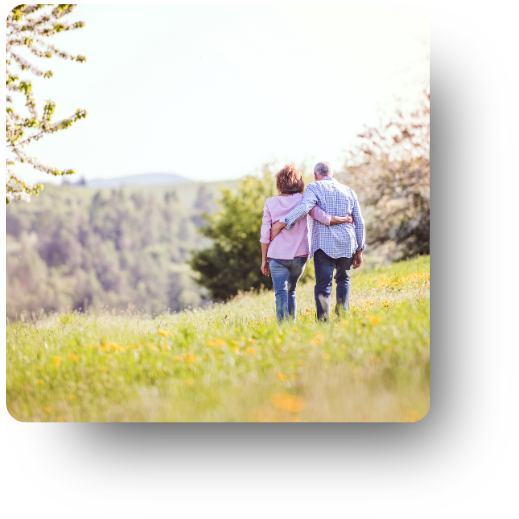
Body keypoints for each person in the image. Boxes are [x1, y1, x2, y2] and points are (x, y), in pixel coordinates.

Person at [270, 161, 366, 321]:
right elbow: (359, 221)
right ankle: (343, 315)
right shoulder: (349, 191)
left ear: (315, 176)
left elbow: (304, 208)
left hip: (324, 244)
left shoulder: (314, 188)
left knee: (323, 284)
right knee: (343, 279)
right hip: (347, 243)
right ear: (332, 174)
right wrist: (360, 249)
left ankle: (323, 320)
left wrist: (282, 223)